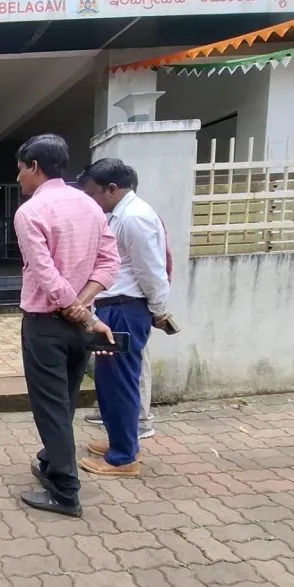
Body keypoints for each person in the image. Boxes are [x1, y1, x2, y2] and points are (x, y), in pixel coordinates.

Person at [13, 134, 120, 518]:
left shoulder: (31, 212)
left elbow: (45, 273)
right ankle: (50, 460)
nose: (19, 177)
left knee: (51, 408)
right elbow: (109, 262)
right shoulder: (90, 205)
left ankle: (64, 491)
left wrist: (74, 307)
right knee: (66, 402)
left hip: (46, 325)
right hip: (78, 326)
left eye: (21, 169)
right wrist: (84, 304)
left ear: (35, 166)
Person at [76, 158, 172, 477]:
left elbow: (152, 270)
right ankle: (121, 442)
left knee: (120, 383)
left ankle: (123, 457)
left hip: (125, 309)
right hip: (115, 307)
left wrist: (159, 310)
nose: (91, 201)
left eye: (93, 194)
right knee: (110, 382)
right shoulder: (122, 214)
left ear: (112, 189)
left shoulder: (134, 218)